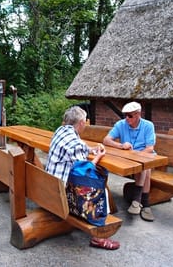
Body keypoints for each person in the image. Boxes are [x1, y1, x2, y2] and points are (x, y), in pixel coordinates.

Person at [45, 106, 120, 250]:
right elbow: (84, 170)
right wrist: (97, 157)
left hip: (50, 185)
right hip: (61, 192)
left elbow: (75, 147)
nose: (85, 124)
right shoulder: (75, 143)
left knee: (96, 183)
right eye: (85, 121)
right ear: (80, 123)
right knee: (100, 189)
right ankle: (99, 236)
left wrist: (90, 149)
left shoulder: (60, 131)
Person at [103, 101, 156, 222]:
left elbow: (150, 148)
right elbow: (106, 140)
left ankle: (137, 201)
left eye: (130, 116)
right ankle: (145, 204)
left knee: (144, 166)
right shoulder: (121, 124)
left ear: (138, 114)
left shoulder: (148, 125)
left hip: (145, 158)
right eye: (125, 115)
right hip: (128, 161)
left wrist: (137, 156)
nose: (127, 118)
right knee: (143, 166)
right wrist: (121, 145)